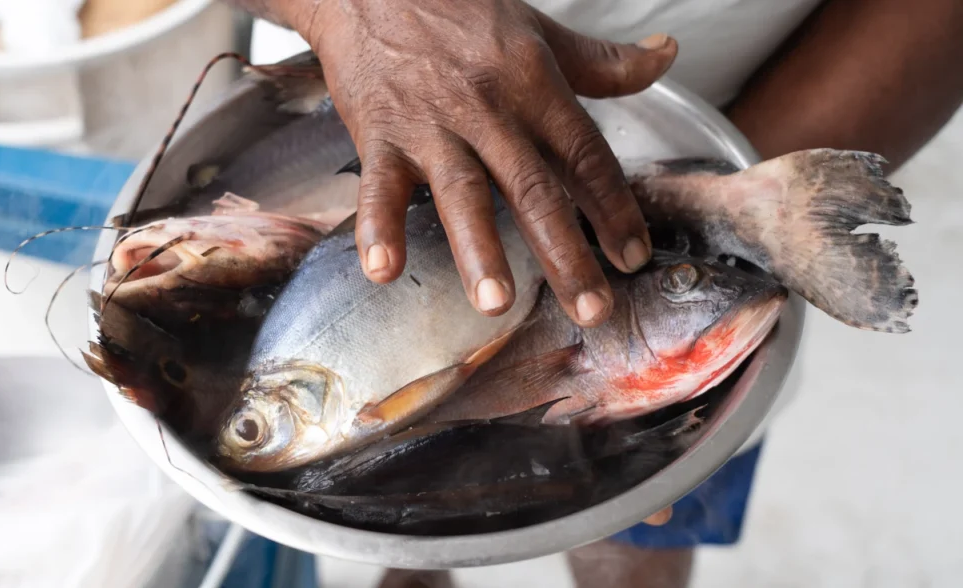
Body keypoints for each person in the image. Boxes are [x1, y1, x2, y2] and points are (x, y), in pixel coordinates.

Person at [225, 1, 963, 586]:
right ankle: (418, 564)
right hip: (359, 114)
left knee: (643, 531)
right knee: (399, 489)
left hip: (731, 107)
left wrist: (715, 198)